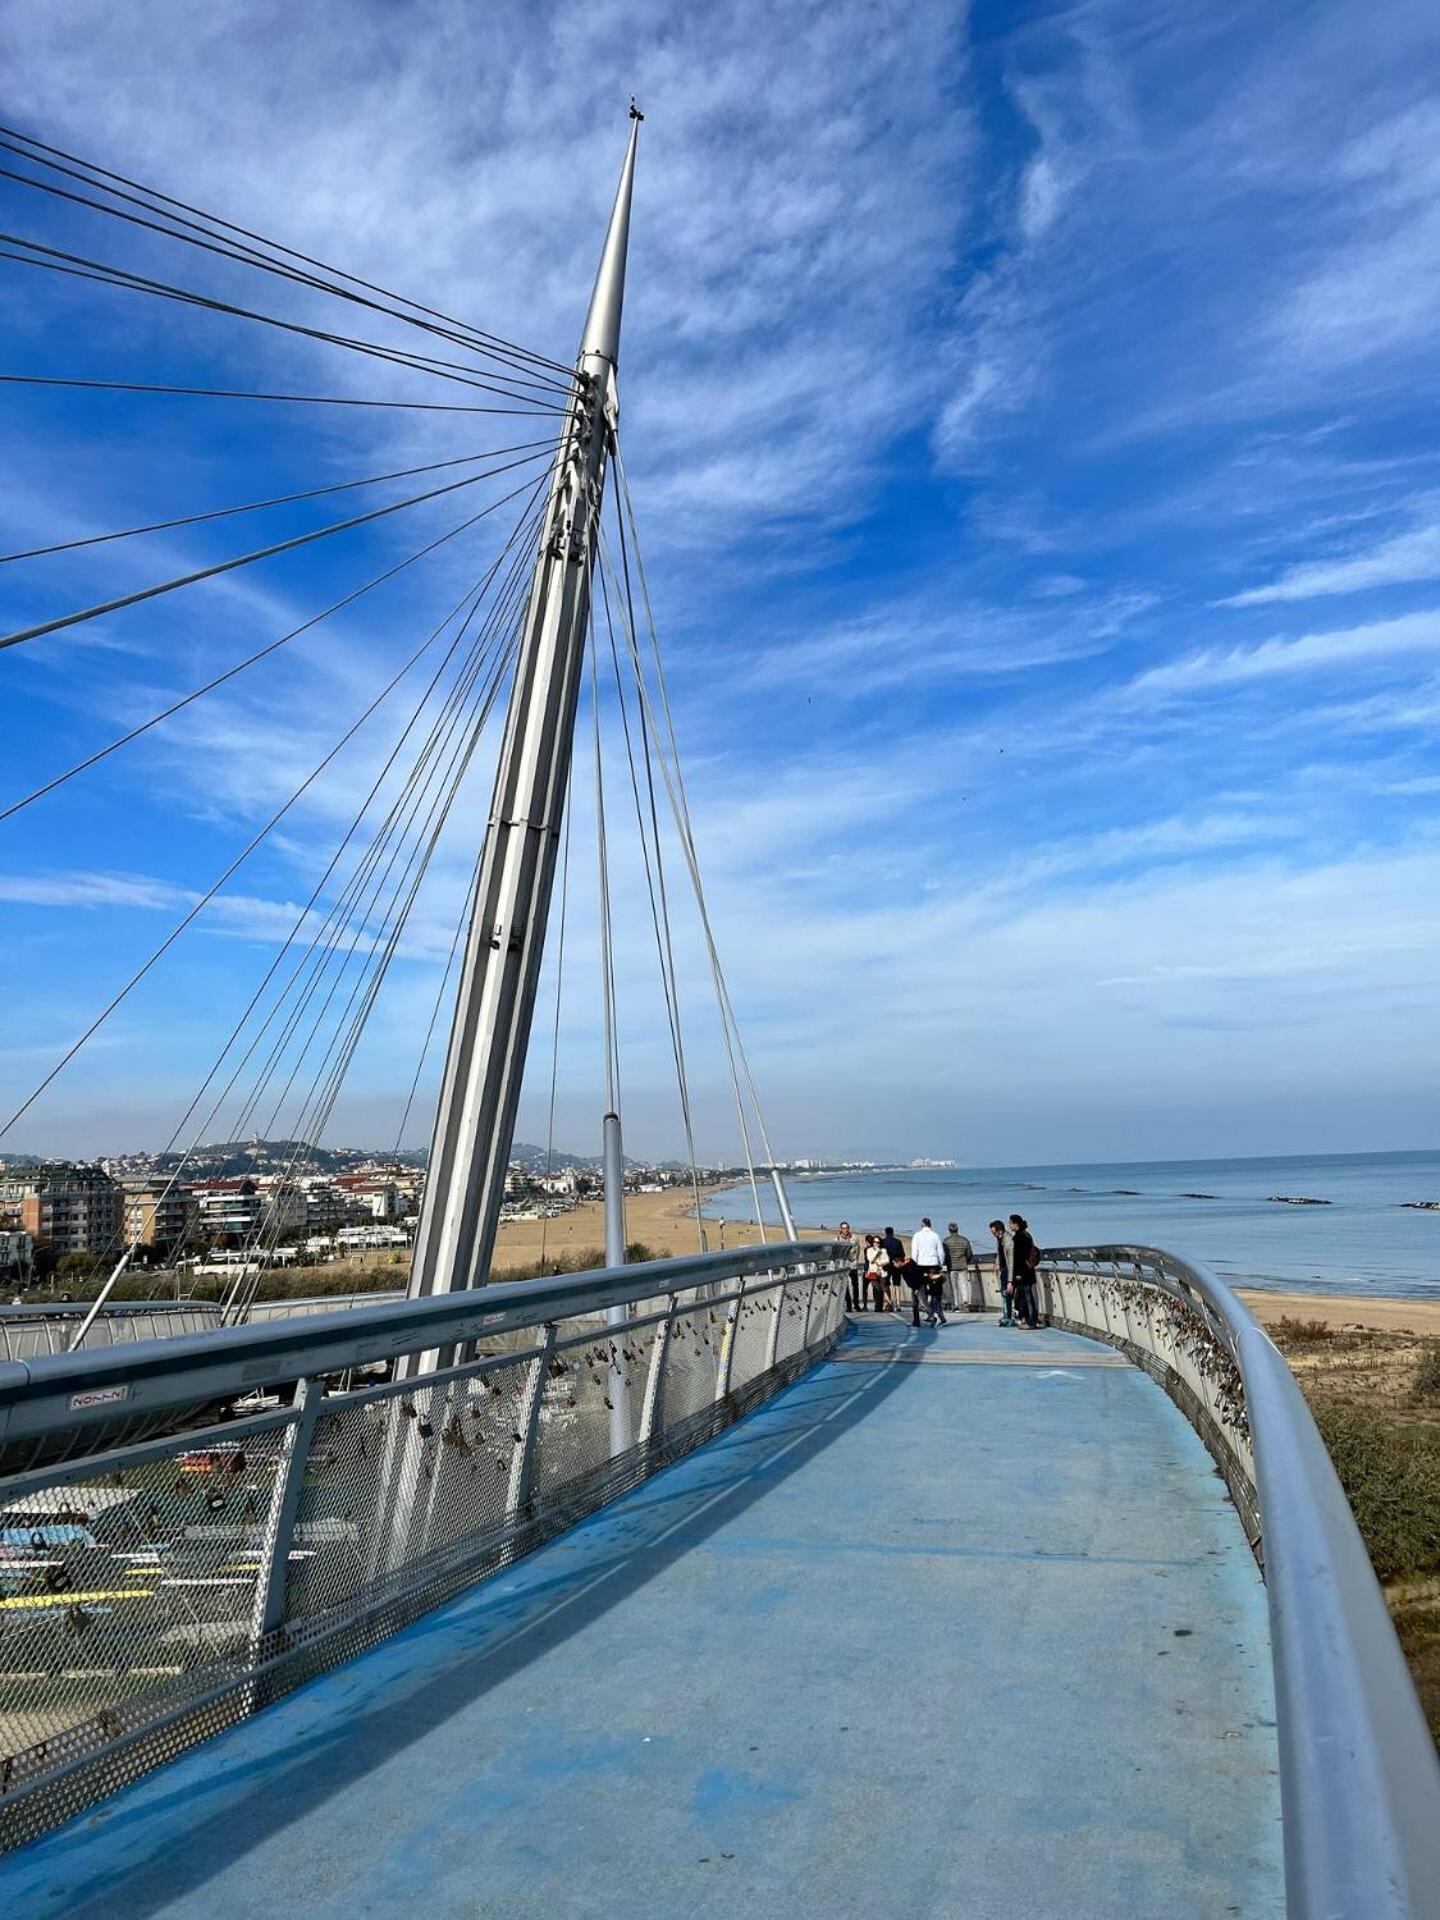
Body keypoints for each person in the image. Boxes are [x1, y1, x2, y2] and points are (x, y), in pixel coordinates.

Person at [1009, 1214, 1042, 1329]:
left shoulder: (1018, 1237)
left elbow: (1019, 1257)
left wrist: (1018, 1273)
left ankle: (1031, 1321)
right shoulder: (1027, 1235)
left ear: (1016, 1224)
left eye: (1011, 1223)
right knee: (1026, 1297)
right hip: (1029, 1270)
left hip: (1023, 1272)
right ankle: (1030, 1319)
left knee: (1026, 1297)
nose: (1009, 1226)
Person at [911, 1217, 946, 1326]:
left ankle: (929, 1313)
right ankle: (939, 1314)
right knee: (935, 1291)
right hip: (933, 1264)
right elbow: (941, 1252)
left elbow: (914, 1252)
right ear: (930, 1225)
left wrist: (914, 1265)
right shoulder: (935, 1235)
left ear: (922, 1225)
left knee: (921, 1291)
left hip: (921, 1265)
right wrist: (940, 1264)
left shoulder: (917, 1235)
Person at [944, 1221, 977, 1311]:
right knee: (964, 1285)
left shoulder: (946, 1241)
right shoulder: (964, 1240)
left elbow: (945, 1255)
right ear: (957, 1229)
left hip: (952, 1267)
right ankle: (966, 1302)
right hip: (963, 1265)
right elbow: (970, 1254)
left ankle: (956, 1304)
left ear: (949, 1230)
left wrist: (946, 1263)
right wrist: (966, 1261)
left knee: (954, 1287)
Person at [989, 1218, 1013, 1325]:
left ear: (1000, 1230)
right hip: (1003, 1268)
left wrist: (1010, 1280)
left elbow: (1011, 1261)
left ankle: (1008, 1317)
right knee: (1004, 1293)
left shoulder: (1008, 1241)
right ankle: (1006, 1315)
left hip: (1008, 1269)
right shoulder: (999, 1239)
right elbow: (999, 1253)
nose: (993, 1235)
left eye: (994, 1232)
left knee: (1007, 1293)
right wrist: (997, 1263)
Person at [837, 1221, 862, 1312]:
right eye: (844, 1228)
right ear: (841, 1229)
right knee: (845, 1285)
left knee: (855, 1285)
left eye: (847, 1228)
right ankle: (848, 1304)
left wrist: (855, 1261)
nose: (846, 1230)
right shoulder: (837, 1239)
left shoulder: (854, 1238)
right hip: (843, 1265)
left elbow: (858, 1250)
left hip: (852, 1265)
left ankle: (856, 1304)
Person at [863, 1234, 891, 1312]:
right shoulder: (869, 1250)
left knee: (881, 1288)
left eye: (878, 1242)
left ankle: (880, 1306)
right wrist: (878, 1254)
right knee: (876, 1288)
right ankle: (877, 1304)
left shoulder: (884, 1250)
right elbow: (870, 1259)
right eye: (875, 1242)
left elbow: (887, 1260)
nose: (876, 1243)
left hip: (882, 1271)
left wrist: (879, 1263)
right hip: (873, 1271)